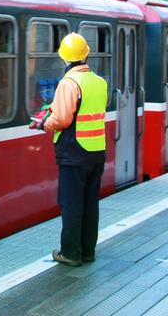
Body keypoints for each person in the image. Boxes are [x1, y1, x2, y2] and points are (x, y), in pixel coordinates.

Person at [32, 32, 108, 267]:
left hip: (74, 152)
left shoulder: (69, 83)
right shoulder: (99, 82)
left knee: (71, 203)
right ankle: (87, 251)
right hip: (96, 151)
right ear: (85, 54)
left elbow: (63, 119)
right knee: (89, 203)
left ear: (64, 58)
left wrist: (44, 123)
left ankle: (70, 253)